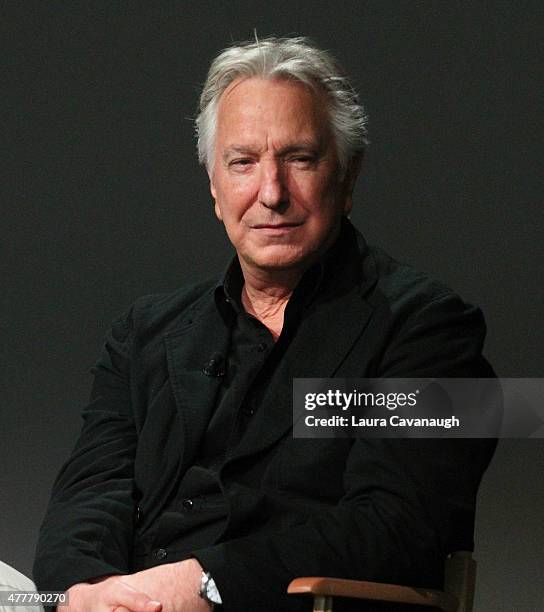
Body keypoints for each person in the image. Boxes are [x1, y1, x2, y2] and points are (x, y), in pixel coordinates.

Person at [33, 37, 496, 611]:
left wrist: (204, 583)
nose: (271, 193)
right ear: (214, 186)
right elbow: (87, 495)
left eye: (299, 159)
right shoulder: (142, 333)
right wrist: (88, 591)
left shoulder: (432, 329)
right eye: (243, 162)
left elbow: (395, 527)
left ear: (348, 178)